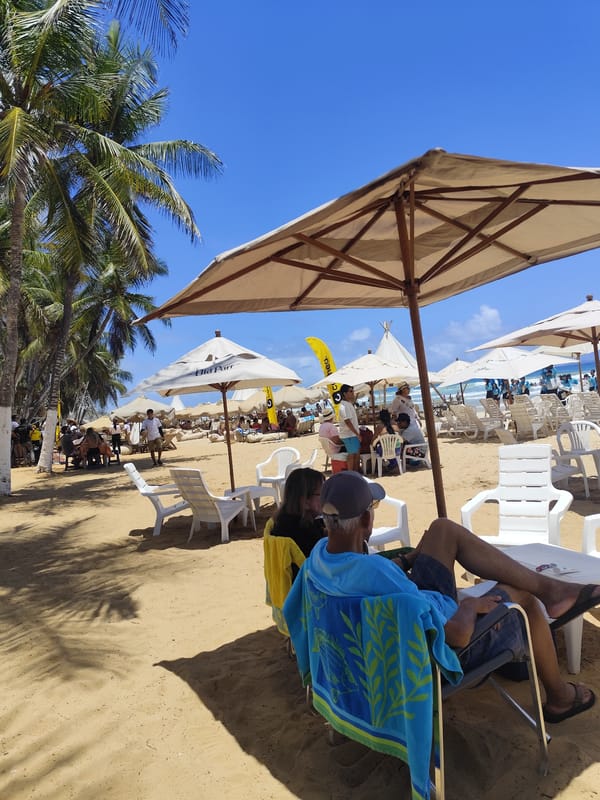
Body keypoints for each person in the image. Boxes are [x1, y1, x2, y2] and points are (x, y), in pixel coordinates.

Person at [285, 472, 600, 724]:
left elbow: (368, 579)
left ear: (327, 521)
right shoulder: (377, 577)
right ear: (367, 521)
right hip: (440, 651)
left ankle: (551, 591)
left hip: (409, 618)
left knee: (442, 530)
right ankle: (559, 697)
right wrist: (469, 604)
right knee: (523, 599)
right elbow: (457, 635)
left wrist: (410, 560)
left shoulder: (319, 560)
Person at [267, 467, 327, 559]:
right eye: (322, 493)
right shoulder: (304, 534)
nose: (326, 497)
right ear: (305, 501)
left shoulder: (283, 520)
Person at [336, 384, 361, 472]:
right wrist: (357, 434)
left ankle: (355, 472)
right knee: (352, 455)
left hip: (351, 434)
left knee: (355, 454)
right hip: (349, 435)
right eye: (350, 391)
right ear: (344, 394)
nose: (352, 393)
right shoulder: (343, 406)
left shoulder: (347, 404)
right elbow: (348, 422)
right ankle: (352, 473)